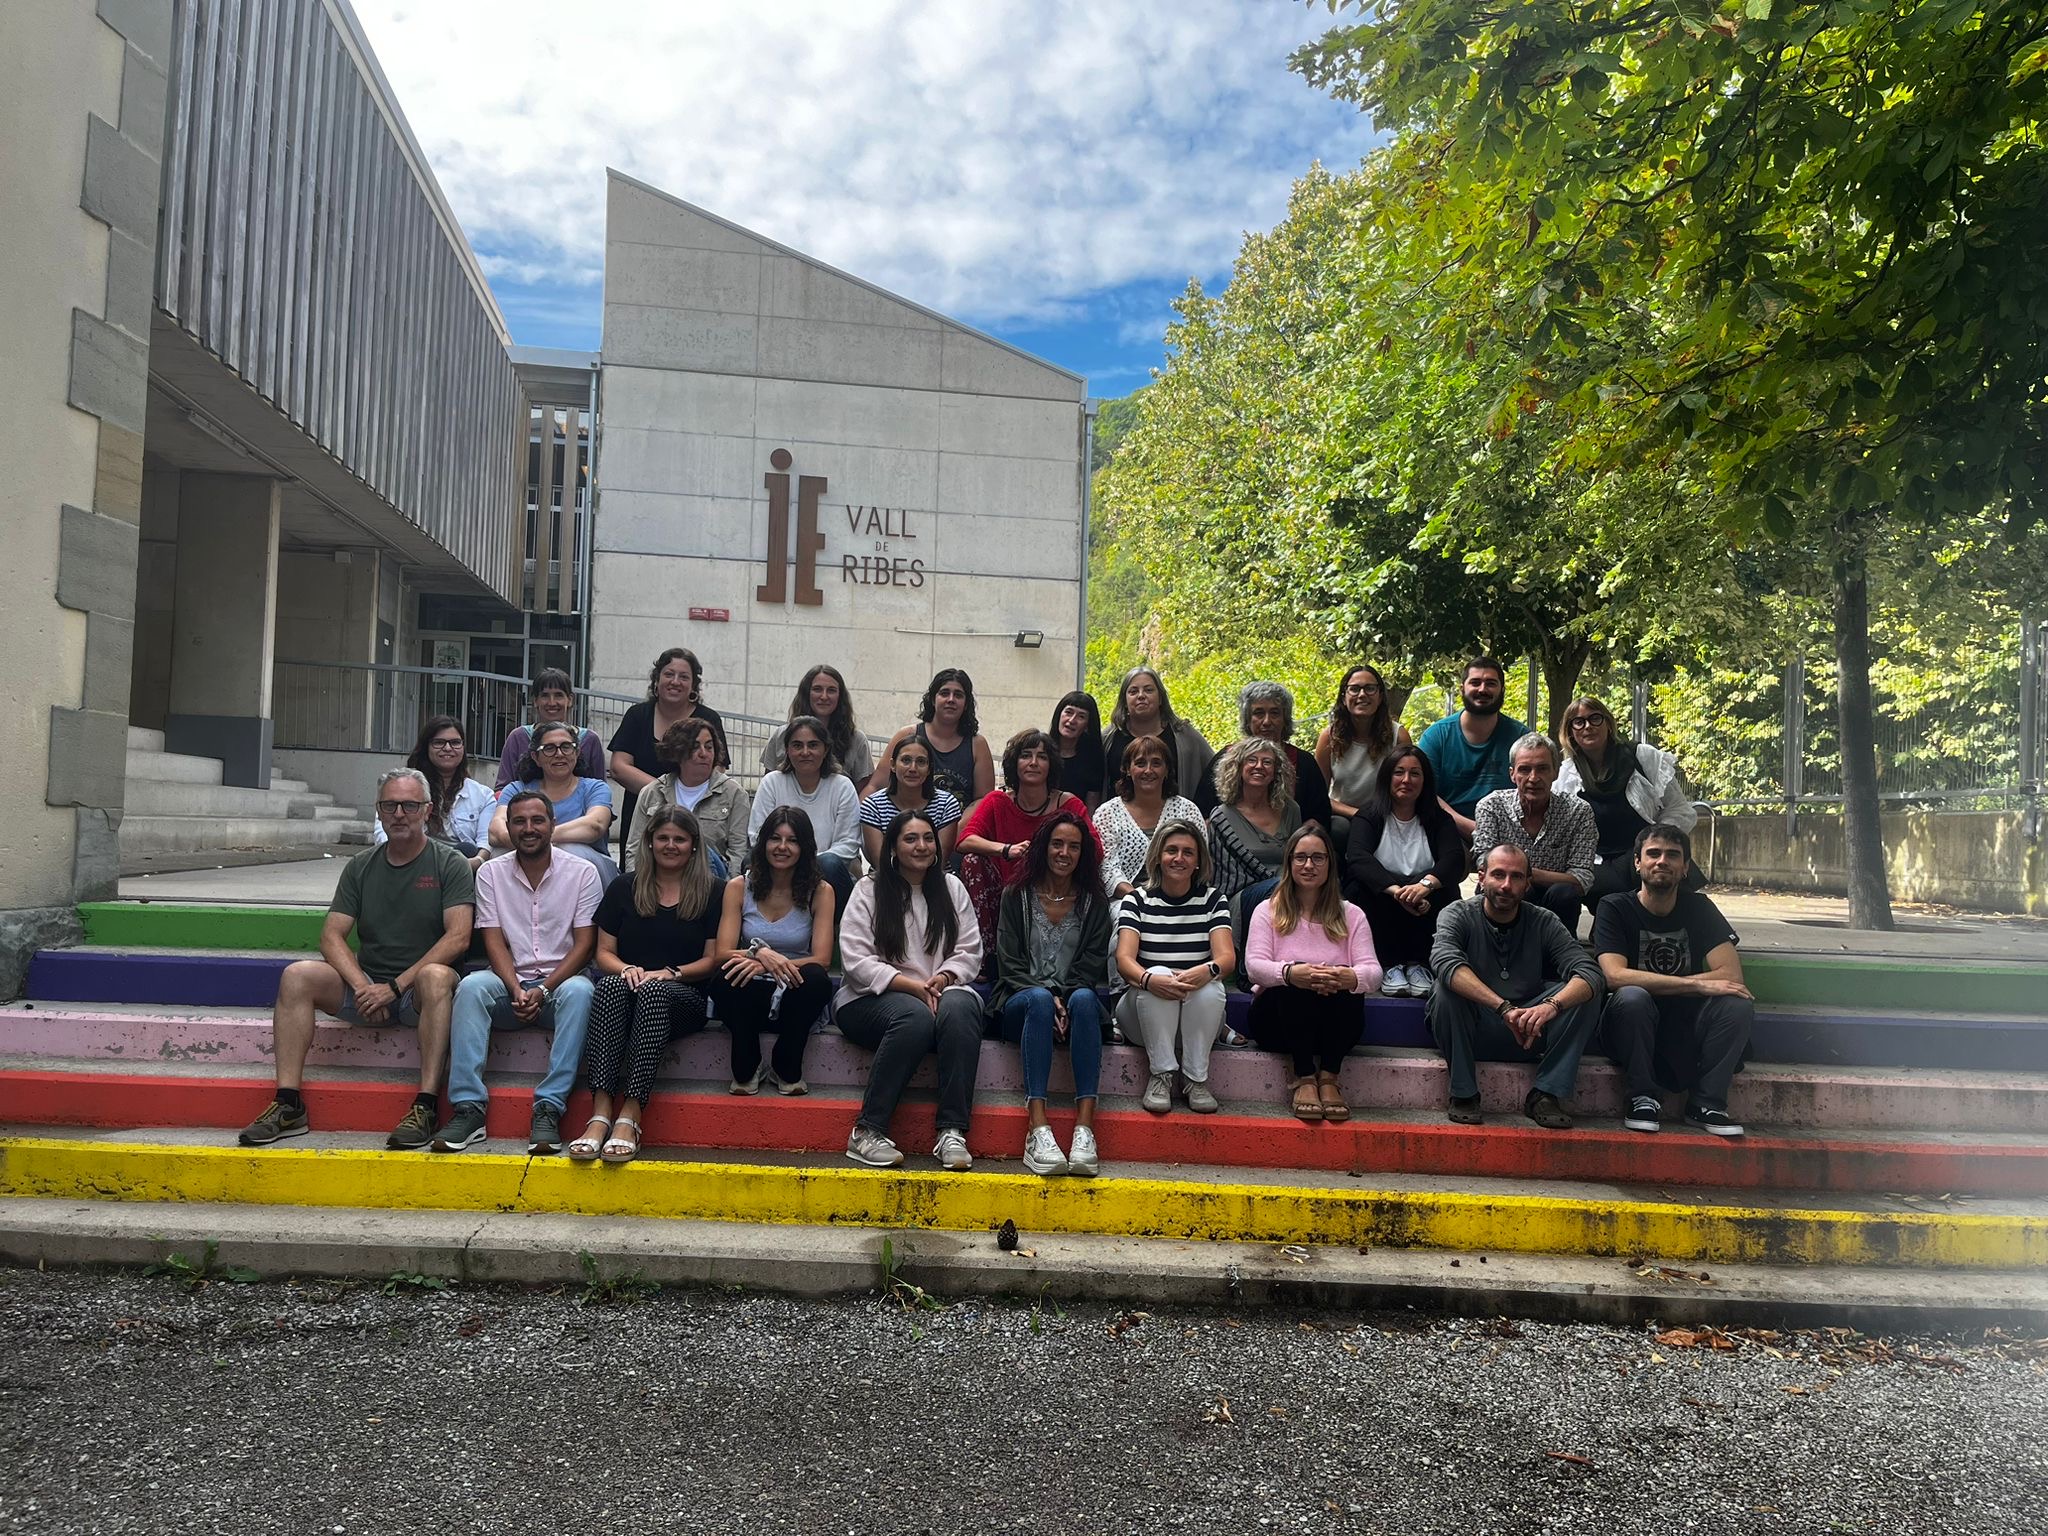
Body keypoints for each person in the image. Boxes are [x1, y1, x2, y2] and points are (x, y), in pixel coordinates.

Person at [237, 769, 474, 1150]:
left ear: (427, 811)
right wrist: (364, 987)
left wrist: (394, 988)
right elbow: (331, 936)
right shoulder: (361, 866)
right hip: (368, 988)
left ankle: (427, 1105)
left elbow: (458, 937)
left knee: (435, 975)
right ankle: (288, 1104)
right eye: (389, 806)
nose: (399, 814)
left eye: (409, 805)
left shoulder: (450, 863)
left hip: (417, 995)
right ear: (378, 811)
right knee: (297, 975)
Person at [435, 790, 602, 1155]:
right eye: (519, 822)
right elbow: (493, 941)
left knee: (581, 992)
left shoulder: (582, 873)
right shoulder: (491, 873)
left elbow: (585, 945)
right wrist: (515, 987)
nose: (529, 829)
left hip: (561, 984)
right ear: (508, 828)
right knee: (472, 987)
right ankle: (468, 1108)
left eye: (537, 820)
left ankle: (549, 1107)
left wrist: (545, 988)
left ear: (553, 825)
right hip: (509, 982)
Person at [567, 806, 719, 1165]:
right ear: (649, 842)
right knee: (609, 986)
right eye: (662, 838)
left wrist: (670, 973)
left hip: (685, 998)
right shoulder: (625, 886)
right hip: (630, 990)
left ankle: (631, 1113)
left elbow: (713, 960)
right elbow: (603, 953)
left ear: (693, 845)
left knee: (653, 991)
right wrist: (627, 969)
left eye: (679, 839)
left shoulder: (714, 891)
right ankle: (601, 1112)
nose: (670, 845)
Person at [835, 810, 985, 1170]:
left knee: (962, 1009)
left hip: (942, 991)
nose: (921, 846)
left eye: (928, 838)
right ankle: (867, 1131)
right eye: (910, 839)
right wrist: (910, 986)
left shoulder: (952, 888)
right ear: (893, 847)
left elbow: (969, 950)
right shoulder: (868, 889)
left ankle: (952, 1132)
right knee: (914, 1016)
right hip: (870, 998)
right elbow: (855, 960)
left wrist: (943, 978)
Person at [1427, 844, 1604, 1130]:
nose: (1506, 885)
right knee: (1444, 990)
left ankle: (1546, 1094)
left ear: (1527, 883)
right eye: (1498, 875)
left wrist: (1551, 1006)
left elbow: (1589, 971)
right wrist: (1503, 1008)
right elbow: (1445, 962)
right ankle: (1463, 1093)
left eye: (1516, 877)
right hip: (1476, 1024)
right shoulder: (1457, 913)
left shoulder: (1544, 920)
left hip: (1531, 1028)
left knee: (1585, 992)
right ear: (1481, 877)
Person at [1594, 823, 1753, 1138]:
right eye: (1653, 853)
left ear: (1685, 867)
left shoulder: (1700, 907)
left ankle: (1707, 1104)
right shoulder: (1614, 907)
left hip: (1687, 1024)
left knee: (1737, 1004)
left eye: (1673, 855)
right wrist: (1695, 984)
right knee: (1632, 996)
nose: (1662, 861)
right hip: (1632, 1024)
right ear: (1637, 862)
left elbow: (1731, 975)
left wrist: (1675, 985)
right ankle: (1642, 1097)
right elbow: (1615, 976)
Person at [989, 813, 1113, 1177]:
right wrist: (1046, 994)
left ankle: (1084, 1129)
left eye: (1074, 846)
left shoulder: (1094, 902)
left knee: (1086, 999)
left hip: (1073, 1002)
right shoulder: (1016, 896)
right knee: (1040, 1001)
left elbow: (1091, 966)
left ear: (1083, 854)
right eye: (1057, 844)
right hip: (1021, 1002)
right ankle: (1038, 1127)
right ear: (1043, 847)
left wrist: (1066, 998)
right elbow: (1009, 963)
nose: (1064, 853)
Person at [1244, 824, 1382, 1123]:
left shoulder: (1352, 914)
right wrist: (1293, 973)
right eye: (1301, 857)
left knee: (1348, 981)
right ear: (1289, 862)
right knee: (1293, 978)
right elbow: (1254, 967)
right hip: (1277, 1024)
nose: (1309, 865)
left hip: (1333, 1027)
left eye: (1318, 858)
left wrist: (1346, 977)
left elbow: (1373, 973)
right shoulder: (1267, 910)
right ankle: (1305, 1076)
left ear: (1330, 864)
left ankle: (1330, 1077)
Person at [711, 808, 837, 1098]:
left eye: (792, 840)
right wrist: (759, 955)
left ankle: (786, 1064)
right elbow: (722, 953)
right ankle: (748, 1064)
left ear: (805, 847)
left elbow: (822, 959)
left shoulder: (821, 891)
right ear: (763, 842)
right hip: (749, 996)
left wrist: (771, 962)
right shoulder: (738, 887)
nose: (782, 847)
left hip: (794, 994)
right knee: (724, 975)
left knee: (817, 979)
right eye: (775, 839)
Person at [1114, 819, 1235, 1116]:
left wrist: (1204, 972)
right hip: (1143, 1015)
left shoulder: (1213, 899)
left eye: (1188, 852)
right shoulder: (1136, 900)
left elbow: (1226, 958)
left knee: (1211, 988)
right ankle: (1161, 1075)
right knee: (1158, 975)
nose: (1179, 858)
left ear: (1198, 861)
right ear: (1158, 856)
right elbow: (1124, 960)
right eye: (1171, 850)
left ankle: (1196, 1079)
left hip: (1197, 1019)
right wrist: (1149, 979)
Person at [956, 729, 1098, 965]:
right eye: (1026, 755)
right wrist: (1006, 849)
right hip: (1003, 898)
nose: (1033, 762)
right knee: (973, 861)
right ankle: (987, 957)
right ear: (1015, 763)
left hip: (1054, 894)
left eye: (1042, 757)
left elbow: (1096, 851)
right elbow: (964, 840)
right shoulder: (997, 801)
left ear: (1051, 765)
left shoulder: (1068, 804)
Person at [1558, 696, 1702, 910]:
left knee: (1662, 880)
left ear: (1608, 723)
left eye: (1595, 718)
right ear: (1570, 732)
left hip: (1645, 852)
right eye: (1578, 722)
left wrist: (1655, 844)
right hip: (1599, 862)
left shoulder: (1643, 757)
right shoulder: (1567, 775)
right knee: (1604, 893)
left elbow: (1679, 810)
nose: (1587, 726)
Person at [1342, 747, 1462, 997]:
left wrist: (1423, 887)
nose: (1406, 780)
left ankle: (1421, 965)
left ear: (1425, 780)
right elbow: (1358, 857)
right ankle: (1389, 965)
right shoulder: (1369, 815)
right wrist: (1399, 892)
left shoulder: (1440, 819)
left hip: (1425, 897)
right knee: (1359, 887)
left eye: (1415, 773)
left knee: (1446, 888)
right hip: (1385, 897)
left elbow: (1453, 860)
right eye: (1399, 772)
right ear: (1387, 777)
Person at [609, 647, 729, 859]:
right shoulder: (638, 715)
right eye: (669, 674)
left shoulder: (709, 718)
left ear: (693, 685)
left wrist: (682, 800)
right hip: (644, 815)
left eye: (684, 677)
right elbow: (619, 766)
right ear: (656, 680)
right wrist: (665, 795)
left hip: (696, 815)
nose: (675, 681)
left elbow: (717, 769)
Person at [1471, 733, 1598, 933]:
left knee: (1565, 892)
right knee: (1511, 888)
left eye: (1542, 768)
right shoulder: (1491, 806)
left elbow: (1582, 878)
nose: (1533, 778)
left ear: (1555, 772)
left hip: (1556, 897)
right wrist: (1519, 879)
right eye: (1524, 769)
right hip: (1504, 894)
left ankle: (1560, 949)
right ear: (1512, 774)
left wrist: (1525, 874)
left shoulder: (1578, 811)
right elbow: (1484, 864)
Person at [748, 714, 862, 911]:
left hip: (825, 871)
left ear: (826, 750)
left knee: (829, 863)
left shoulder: (842, 786)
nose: (805, 752)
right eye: (797, 745)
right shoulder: (772, 782)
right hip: (779, 864)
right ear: (787, 750)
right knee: (749, 861)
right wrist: (789, 860)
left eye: (813, 745)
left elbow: (848, 844)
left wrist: (805, 864)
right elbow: (757, 835)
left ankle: (835, 926)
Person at [489, 721, 619, 885]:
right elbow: (496, 831)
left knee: (569, 851)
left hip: (589, 871)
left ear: (577, 752)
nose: (559, 754)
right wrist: (538, 843)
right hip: (530, 866)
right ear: (536, 757)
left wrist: (535, 839)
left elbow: (595, 825)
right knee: (500, 853)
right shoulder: (516, 789)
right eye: (549, 748)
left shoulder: (595, 788)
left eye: (566, 747)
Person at [1195, 682, 1332, 833]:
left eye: (1274, 713)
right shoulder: (1226, 758)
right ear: (1248, 720)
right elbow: (1203, 813)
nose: (1267, 721)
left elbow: (1320, 817)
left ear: (1285, 719)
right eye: (1259, 713)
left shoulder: (1303, 762)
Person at [625, 717, 749, 878]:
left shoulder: (734, 794)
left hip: (710, 880)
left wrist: (729, 889)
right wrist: (637, 884)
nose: (704, 754)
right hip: (658, 878)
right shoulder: (652, 792)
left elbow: (738, 851)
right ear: (677, 752)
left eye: (709, 747)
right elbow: (635, 848)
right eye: (695, 747)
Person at [1416, 656, 1528, 836]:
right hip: (1447, 830)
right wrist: (1476, 830)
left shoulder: (1522, 738)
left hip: (1509, 833)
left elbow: (1535, 791)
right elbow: (1424, 792)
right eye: (1475, 683)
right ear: (1462, 689)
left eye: (1490, 683)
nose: (1482, 689)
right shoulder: (1436, 737)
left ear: (1502, 690)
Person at [1094, 734, 1204, 901]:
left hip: (1181, 898)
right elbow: (1106, 868)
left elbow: (1200, 860)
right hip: (1125, 901)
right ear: (1127, 769)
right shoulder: (1107, 813)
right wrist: (1138, 900)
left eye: (1156, 763)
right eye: (1140, 763)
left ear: (1167, 770)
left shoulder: (1187, 810)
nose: (1148, 770)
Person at [1316, 664, 1413, 854]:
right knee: (1339, 830)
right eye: (1354, 689)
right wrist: (1358, 814)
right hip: (1344, 817)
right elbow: (1319, 796)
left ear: (1380, 696)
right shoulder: (1329, 738)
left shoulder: (1398, 737)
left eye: (1370, 688)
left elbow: (1408, 787)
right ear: (1344, 697)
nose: (1362, 695)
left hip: (1386, 816)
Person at [868, 668, 994, 808]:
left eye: (958, 695)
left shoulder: (977, 745)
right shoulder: (907, 735)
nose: (951, 699)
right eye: (944, 693)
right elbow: (876, 786)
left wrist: (956, 822)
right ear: (933, 699)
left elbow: (983, 800)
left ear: (966, 704)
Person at [384, 715, 493, 863]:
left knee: (467, 849)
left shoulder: (483, 795)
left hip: (464, 865)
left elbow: (486, 842)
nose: (447, 748)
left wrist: (476, 862)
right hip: (416, 862)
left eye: (455, 743)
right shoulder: (403, 789)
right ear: (426, 747)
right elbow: (384, 834)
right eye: (439, 742)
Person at [1101, 666, 1212, 806]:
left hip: (1175, 817)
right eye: (1133, 691)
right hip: (1117, 818)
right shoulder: (1109, 738)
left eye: (1148, 690)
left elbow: (1215, 769)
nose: (1141, 696)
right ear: (1124, 701)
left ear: (1160, 698)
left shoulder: (1185, 736)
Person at [760, 663, 874, 786]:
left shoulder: (856, 740)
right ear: (806, 693)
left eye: (831, 690)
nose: (824, 696)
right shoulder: (781, 735)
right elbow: (769, 784)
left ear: (840, 696)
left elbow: (863, 790)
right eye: (817, 689)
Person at [859, 735, 964, 869]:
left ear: (929, 769)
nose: (913, 768)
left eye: (921, 761)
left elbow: (940, 862)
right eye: (906, 760)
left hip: (935, 878)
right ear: (893, 765)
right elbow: (881, 863)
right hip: (886, 879)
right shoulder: (872, 806)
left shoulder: (946, 804)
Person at [496, 666, 605, 790]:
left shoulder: (590, 740)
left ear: (570, 700)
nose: (552, 703)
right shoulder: (518, 737)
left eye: (558, 695)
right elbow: (502, 788)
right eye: (545, 696)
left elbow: (600, 789)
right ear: (535, 700)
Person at [1048, 690, 1107, 813]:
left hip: (1075, 820)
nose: (1072, 720)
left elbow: (1091, 806)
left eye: (1081, 716)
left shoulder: (1093, 760)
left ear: (1087, 725)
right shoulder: (1043, 751)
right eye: (1068, 712)